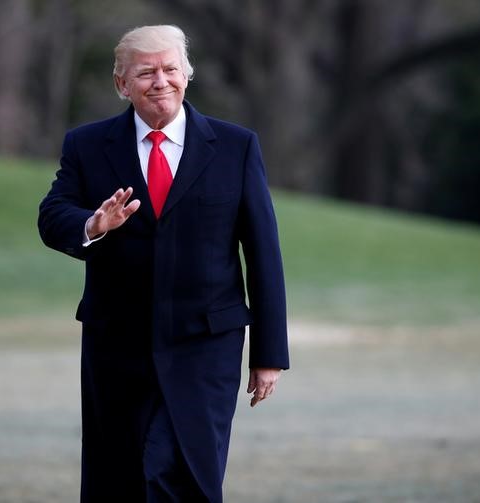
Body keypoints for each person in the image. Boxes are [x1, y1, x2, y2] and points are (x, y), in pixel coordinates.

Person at [37, 24, 289, 502]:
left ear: (187, 75)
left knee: (186, 471)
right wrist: (94, 223)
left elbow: (262, 252)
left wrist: (269, 354)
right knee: (121, 477)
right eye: (146, 72)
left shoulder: (236, 147)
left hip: (205, 347)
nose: (161, 81)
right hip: (117, 346)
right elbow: (52, 216)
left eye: (171, 69)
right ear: (121, 84)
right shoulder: (87, 145)